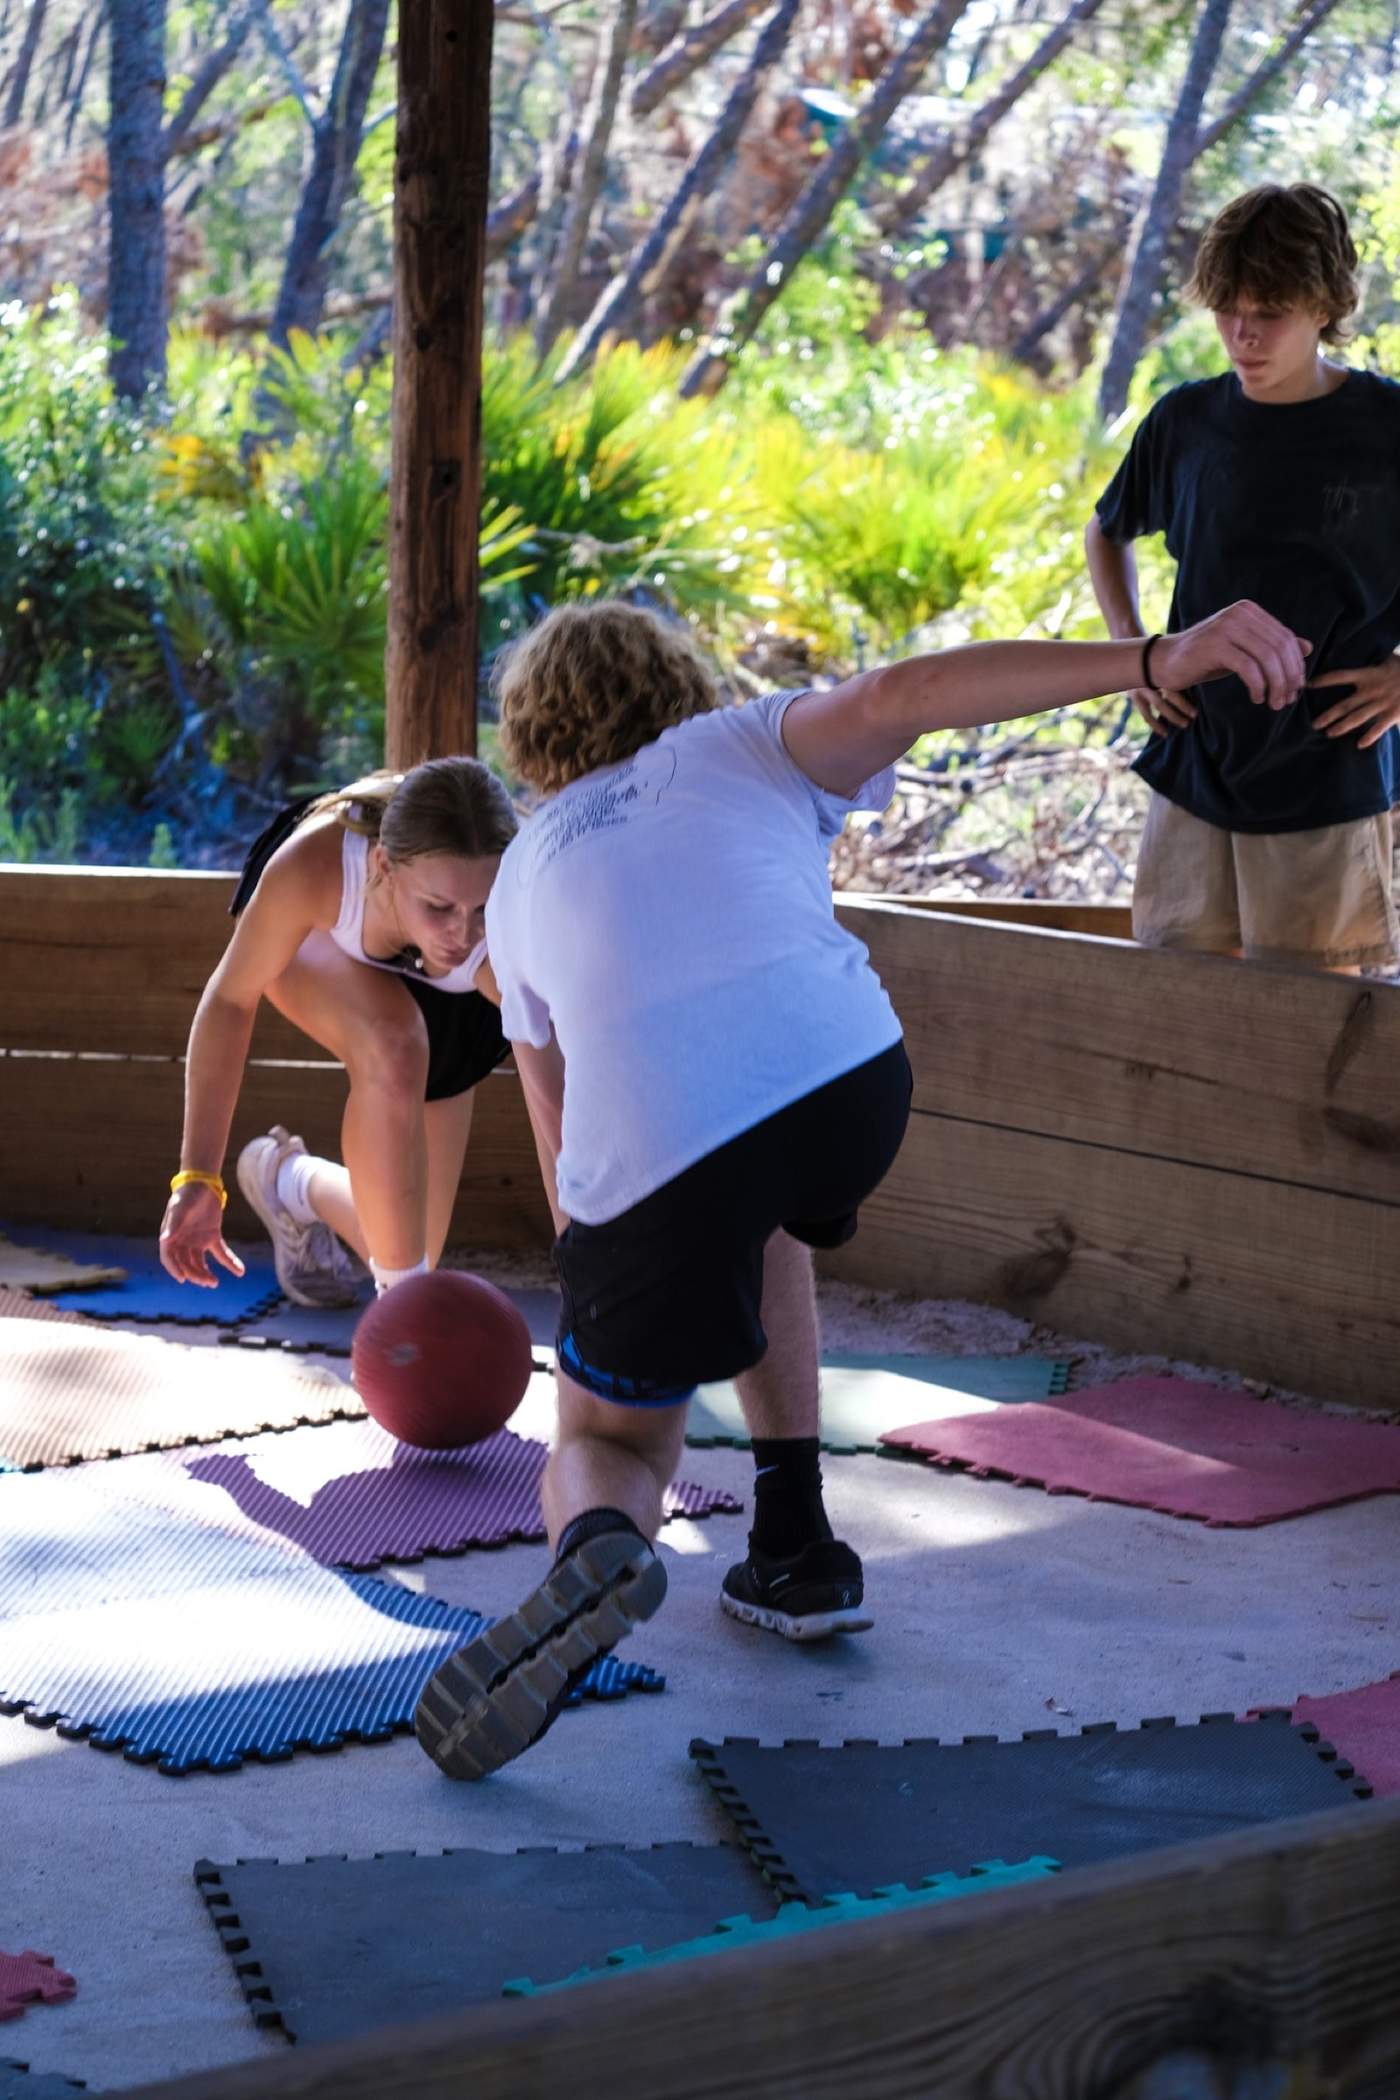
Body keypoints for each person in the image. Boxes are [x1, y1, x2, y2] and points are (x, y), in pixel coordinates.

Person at [412, 591, 1308, 1782]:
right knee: (762, 1204)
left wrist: (612, 1305)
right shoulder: (735, 744)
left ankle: (595, 1546)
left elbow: (561, 1135)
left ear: (530, 738)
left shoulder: (518, 883)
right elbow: (902, 696)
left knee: (609, 1433)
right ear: (679, 689)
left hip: (668, 1154)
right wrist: (1150, 656)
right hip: (846, 1087)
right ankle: (794, 1543)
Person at [1085, 182, 1400, 972]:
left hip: (1330, 770)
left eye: (1269, 312)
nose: (1242, 334)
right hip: (1193, 756)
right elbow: (1106, 529)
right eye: (1228, 308)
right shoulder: (1187, 420)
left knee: (1313, 1031)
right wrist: (1135, 653)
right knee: (1176, 1006)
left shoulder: (1388, 425)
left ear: (1325, 303)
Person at [157, 758, 547, 1306]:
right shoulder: (320, 865)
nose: (463, 932)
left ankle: (288, 1181)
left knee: (408, 1250)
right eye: (439, 907)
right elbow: (229, 998)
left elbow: (558, 1099)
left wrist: (585, 1263)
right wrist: (197, 1176)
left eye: (483, 907)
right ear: (385, 865)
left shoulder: (515, 931)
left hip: (455, 1010)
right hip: (322, 939)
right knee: (394, 1044)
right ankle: (403, 1322)